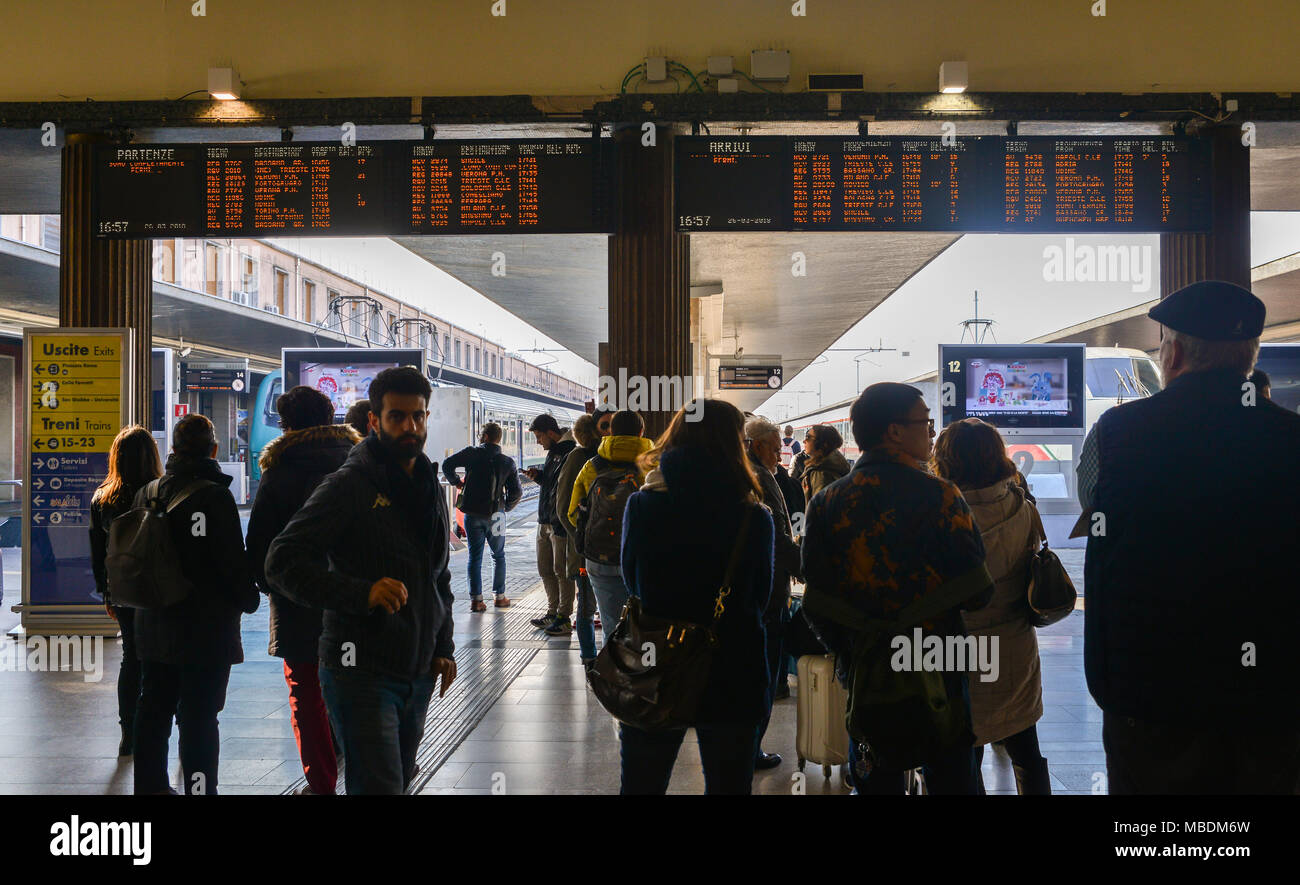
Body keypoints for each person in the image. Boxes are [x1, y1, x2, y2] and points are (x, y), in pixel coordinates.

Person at [1078, 280, 1300, 794]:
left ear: (1173, 352)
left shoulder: (1117, 433)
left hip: (1152, 691)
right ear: (1250, 357)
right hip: (1268, 692)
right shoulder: (1291, 439)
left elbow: (1099, 526)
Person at [266, 366, 457, 795]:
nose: (410, 426)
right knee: (380, 786)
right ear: (374, 421)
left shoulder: (429, 484)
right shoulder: (350, 484)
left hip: (418, 669)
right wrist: (360, 592)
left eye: (418, 416)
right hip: (360, 669)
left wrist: (442, 645)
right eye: (397, 417)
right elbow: (281, 560)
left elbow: (438, 577)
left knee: (398, 782)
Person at [801, 383, 993, 795]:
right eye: (924, 422)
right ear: (894, 432)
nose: (930, 431)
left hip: (868, 667)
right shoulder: (943, 497)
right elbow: (978, 591)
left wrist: (854, 644)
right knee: (952, 776)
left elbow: (815, 601)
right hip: (940, 663)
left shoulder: (828, 503)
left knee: (875, 775)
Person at [619, 399, 775, 794]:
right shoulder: (753, 516)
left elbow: (632, 580)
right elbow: (761, 597)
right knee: (728, 786)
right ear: (733, 445)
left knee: (642, 785)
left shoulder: (643, 505)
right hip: (732, 665)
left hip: (657, 663)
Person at [133, 413, 260, 795]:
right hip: (204, 629)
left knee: (153, 709)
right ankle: (200, 791)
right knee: (199, 717)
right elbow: (228, 561)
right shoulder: (214, 496)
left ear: (172, 449)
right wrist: (249, 597)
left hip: (153, 622)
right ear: (214, 449)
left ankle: (150, 788)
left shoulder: (149, 491)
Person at [245, 386, 361, 796]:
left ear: (287, 425)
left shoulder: (279, 471)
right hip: (357, 601)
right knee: (358, 692)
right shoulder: (358, 464)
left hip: (297, 605)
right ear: (332, 416)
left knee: (307, 697)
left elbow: (260, 545)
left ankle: (322, 785)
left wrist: (271, 586)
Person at [932, 418, 1050, 795]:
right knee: (1025, 746)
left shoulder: (940, 516)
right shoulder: (1023, 507)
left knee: (966, 751)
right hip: (1015, 642)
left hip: (958, 649)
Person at [89, 424, 163, 758]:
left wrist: (105, 593)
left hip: (122, 589)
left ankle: (128, 732)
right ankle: (160, 728)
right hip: (159, 588)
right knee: (161, 659)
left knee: (130, 656)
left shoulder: (103, 498)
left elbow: (97, 552)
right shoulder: (161, 493)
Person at [744, 416, 803, 768]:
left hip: (754, 590)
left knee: (756, 674)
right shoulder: (759, 477)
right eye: (772, 445)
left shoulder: (748, 473)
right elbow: (778, 540)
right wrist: (805, 570)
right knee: (762, 675)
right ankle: (750, 751)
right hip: (767, 591)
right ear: (755, 445)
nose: (779, 452)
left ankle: (746, 749)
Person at [567, 410, 653, 642]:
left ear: (611, 432)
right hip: (644, 558)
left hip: (600, 556)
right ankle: (643, 673)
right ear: (641, 432)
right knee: (646, 627)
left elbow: (573, 513)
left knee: (611, 627)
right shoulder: (654, 465)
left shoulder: (592, 466)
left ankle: (612, 674)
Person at [442, 421, 523, 612]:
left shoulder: (472, 454)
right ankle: (499, 597)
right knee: (498, 555)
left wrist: (456, 483)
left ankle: (476, 601)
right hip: (496, 515)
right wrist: (505, 507)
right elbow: (516, 492)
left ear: (485, 437)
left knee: (475, 556)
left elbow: (447, 465)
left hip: (472, 514)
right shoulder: (507, 462)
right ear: (498, 439)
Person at [523, 414, 577, 632]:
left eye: (539, 436)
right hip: (543, 519)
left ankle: (564, 617)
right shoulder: (554, 452)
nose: (538, 442)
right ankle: (552, 612)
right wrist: (539, 476)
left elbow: (566, 488)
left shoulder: (570, 452)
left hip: (558, 523)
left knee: (561, 571)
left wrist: (560, 520)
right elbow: (553, 482)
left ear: (551, 433)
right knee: (545, 569)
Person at [556, 414, 601, 659]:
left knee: (586, 606)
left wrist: (580, 539)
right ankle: (595, 658)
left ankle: (590, 660)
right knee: (588, 606)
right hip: (591, 549)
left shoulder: (576, 458)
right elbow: (563, 508)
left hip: (583, 551)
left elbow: (563, 509)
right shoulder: (580, 458)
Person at [800, 424, 851, 502]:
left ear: (823, 444)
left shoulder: (821, 475)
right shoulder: (835, 466)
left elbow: (819, 510)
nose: (804, 441)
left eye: (808, 437)